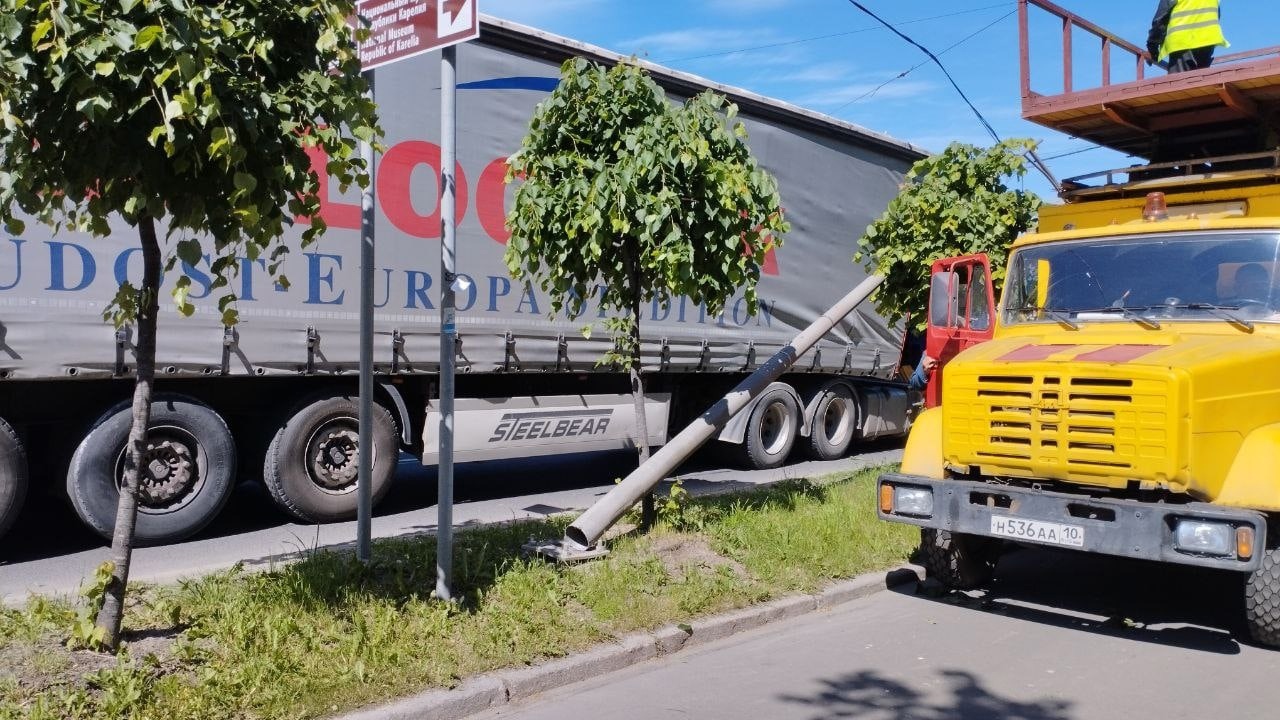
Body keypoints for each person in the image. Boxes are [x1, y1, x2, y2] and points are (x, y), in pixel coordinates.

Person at [1147, 0, 1228, 74]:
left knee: (1179, 84)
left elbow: (1160, 20)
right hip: (1207, 41)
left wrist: (1152, 47)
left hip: (1182, 43)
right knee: (1200, 82)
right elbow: (1216, 15)